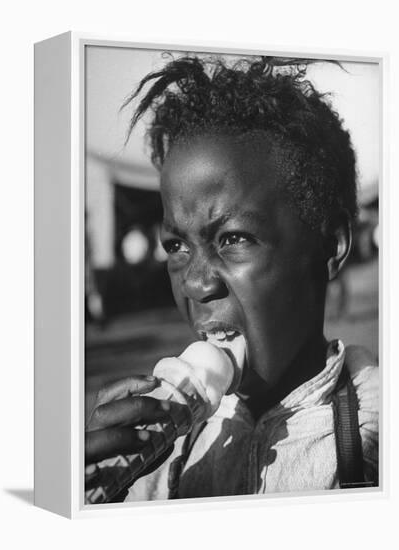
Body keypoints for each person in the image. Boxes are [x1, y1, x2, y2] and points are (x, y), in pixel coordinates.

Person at [85, 55, 379, 502]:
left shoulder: (376, 432)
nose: (196, 284)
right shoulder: (165, 456)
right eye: (177, 246)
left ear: (331, 245)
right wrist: (94, 498)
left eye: (233, 238)